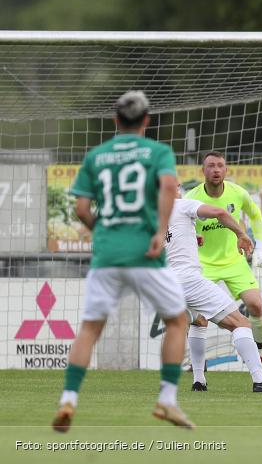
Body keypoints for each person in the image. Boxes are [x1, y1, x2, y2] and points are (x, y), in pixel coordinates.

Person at [53, 91, 193, 432]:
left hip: (107, 256)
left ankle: (68, 399)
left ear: (115, 120)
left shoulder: (96, 155)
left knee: (89, 329)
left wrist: (102, 233)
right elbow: (166, 187)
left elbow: (81, 209)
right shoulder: (158, 152)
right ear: (146, 120)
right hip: (146, 254)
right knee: (177, 321)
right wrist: (160, 230)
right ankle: (167, 398)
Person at [167, 187, 262, 393]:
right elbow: (220, 213)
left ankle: (199, 381)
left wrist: (191, 240)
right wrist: (241, 234)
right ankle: (261, 380)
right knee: (240, 323)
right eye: (175, 185)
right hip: (188, 280)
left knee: (199, 321)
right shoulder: (181, 205)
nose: (179, 190)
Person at [184, 152, 262, 373]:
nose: (216, 170)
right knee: (199, 318)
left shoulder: (238, 193)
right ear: (203, 171)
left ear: (226, 170)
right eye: (210, 166)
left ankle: (260, 355)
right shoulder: (191, 198)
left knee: (255, 305)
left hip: (234, 261)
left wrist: (260, 249)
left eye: (220, 166)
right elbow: (180, 225)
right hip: (204, 263)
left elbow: (256, 216)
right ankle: (197, 365)